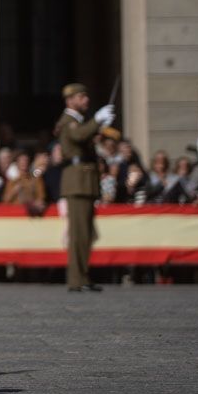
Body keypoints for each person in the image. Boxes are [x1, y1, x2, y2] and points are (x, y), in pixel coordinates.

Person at [56, 83, 115, 292]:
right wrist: (97, 121)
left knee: (87, 233)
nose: (86, 100)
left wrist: (98, 126)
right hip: (77, 180)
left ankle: (83, 275)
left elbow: (85, 136)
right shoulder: (68, 121)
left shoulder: (79, 121)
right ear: (70, 100)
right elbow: (78, 136)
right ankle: (75, 279)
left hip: (86, 180)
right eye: (81, 97)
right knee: (79, 233)